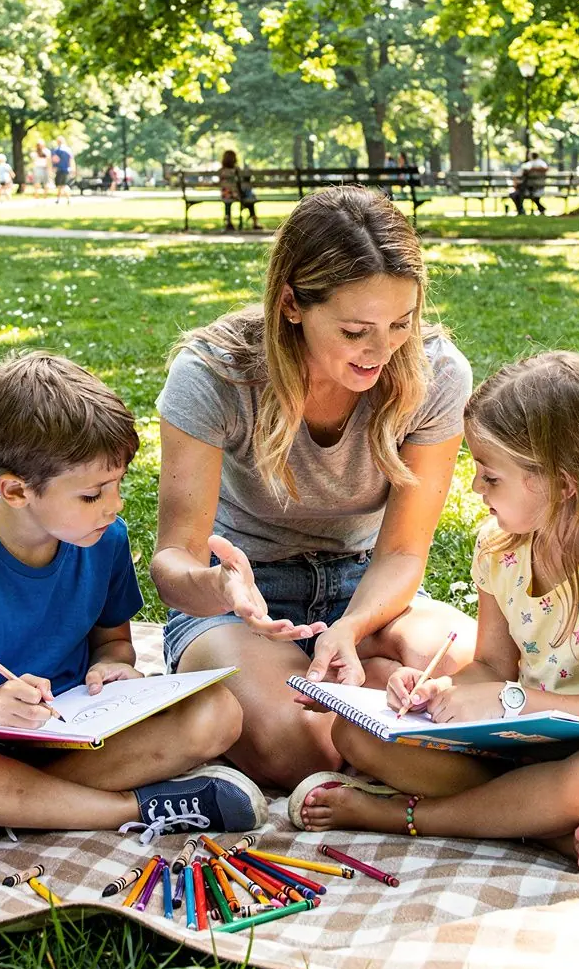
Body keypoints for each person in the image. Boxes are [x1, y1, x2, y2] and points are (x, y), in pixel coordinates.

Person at [291, 351, 579, 880]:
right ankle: (546, 827)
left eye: (491, 476)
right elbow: (490, 667)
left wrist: (512, 699)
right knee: (355, 735)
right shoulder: (499, 549)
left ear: (562, 482)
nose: (477, 489)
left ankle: (409, 817)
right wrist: (436, 691)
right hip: (525, 753)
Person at [0, 352, 266, 865]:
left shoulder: (104, 539)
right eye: (92, 494)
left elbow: (113, 640)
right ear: (16, 490)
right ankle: (128, 809)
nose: (116, 505)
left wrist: (114, 665)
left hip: (67, 735)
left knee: (217, 714)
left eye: (118, 485)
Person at [151, 185, 476, 789]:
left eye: (400, 324)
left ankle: (360, 690)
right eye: (356, 331)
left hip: (367, 588)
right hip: (245, 604)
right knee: (308, 748)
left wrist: (349, 630)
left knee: (473, 675)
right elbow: (173, 563)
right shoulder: (214, 374)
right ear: (292, 304)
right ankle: (370, 715)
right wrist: (222, 587)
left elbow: (404, 551)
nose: (382, 350)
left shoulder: (436, 374)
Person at [51, 136, 76, 204]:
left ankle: (65, 199)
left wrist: (53, 169)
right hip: (67, 170)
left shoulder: (56, 150)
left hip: (60, 170)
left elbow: (55, 160)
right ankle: (59, 199)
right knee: (62, 185)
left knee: (61, 185)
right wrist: (73, 169)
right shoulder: (68, 150)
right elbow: (71, 160)